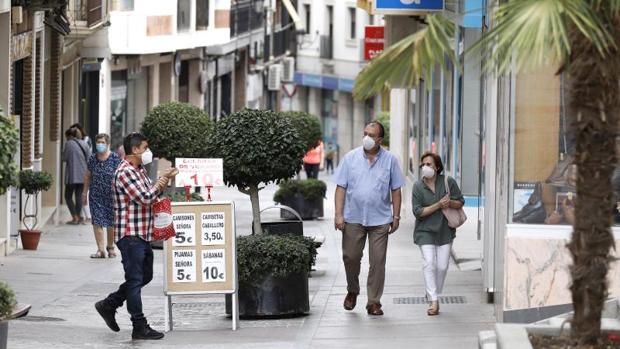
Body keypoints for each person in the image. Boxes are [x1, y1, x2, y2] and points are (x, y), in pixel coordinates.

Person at [95, 132, 178, 340]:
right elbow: (146, 197)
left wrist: (163, 181)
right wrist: (164, 178)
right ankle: (139, 326)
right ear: (134, 150)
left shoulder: (138, 170)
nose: (148, 151)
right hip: (130, 234)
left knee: (145, 276)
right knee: (134, 280)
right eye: (145, 148)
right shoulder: (125, 172)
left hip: (142, 233)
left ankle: (109, 304)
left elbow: (152, 192)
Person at [333, 121, 404, 316]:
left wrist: (396, 216)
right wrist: (338, 214)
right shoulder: (350, 158)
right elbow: (341, 188)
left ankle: (373, 301)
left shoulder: (390, 160)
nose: (366, 138)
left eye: (371, 135)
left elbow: (396, 190)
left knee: (378, 261)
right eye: (365, 133)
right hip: (353, 217)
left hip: (380, 219)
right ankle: (352, 290)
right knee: (351, 257)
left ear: (380, 139)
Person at [411, 152, 464, 316]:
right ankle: (434, 301)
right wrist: (438, 205)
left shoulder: (448, 182)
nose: (425, 167)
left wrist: (450, 203)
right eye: (423, 165)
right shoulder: (418, 187)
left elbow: (460, 201)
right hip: (425, 230)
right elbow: (418, 212)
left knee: (442, 266)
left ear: (437, 167)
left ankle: (432, 292)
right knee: (429, 263)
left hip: (445, 231)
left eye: (429, 164)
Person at [82, 133, 122, 259]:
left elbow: (121, 176)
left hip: (111, 195)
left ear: (108, 144)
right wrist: (84, 193)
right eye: (98, 142)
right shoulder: (92, 159)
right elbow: (88, 176)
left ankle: (110, 247)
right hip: (96, 195)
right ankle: (100, 250)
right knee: (97, 222)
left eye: (102, 142)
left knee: (111, 223)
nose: (100, 145)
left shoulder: (115, 158)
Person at [63, 127, 91, 225]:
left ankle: (75, 217)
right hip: (83, 174)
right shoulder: (85, 144)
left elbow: (64, 158)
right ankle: (78, 217)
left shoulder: (69, 144)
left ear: (70, 135)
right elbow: (89, 158)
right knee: (79, 196)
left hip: (72, 174)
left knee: (67, 196)